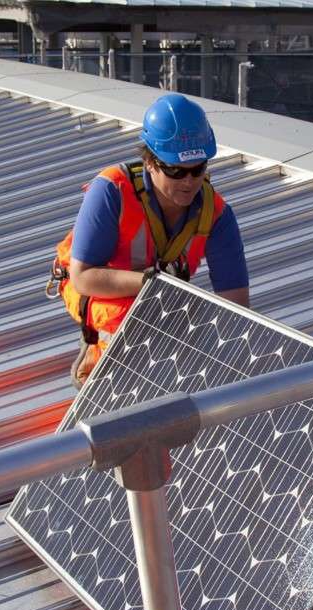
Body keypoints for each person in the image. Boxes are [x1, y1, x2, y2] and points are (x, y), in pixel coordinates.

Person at [52, 93, 249, 389]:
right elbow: (83, 278)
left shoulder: (216, 213)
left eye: (198, 170)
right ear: (150, 162)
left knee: (187, 318)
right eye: (175, 170)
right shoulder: (111, 192)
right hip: (105, 292)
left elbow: (236, 305)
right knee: (128, 319)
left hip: (161, 295)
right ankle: (101, 374)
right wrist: (151, 283)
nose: (188, 181)